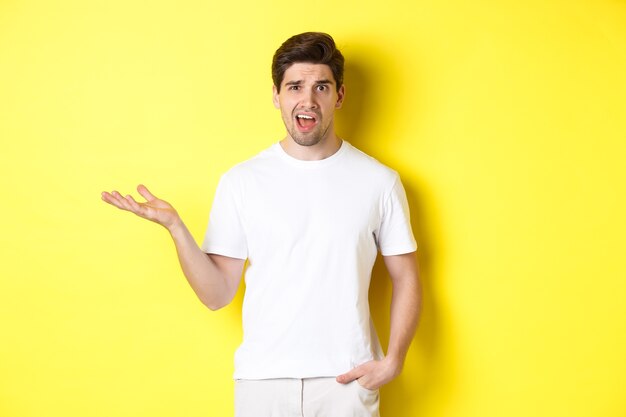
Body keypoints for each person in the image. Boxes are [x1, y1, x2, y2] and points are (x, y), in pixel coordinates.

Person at [102, 32, 421, 417]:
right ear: (276, 95)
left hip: (347, 383)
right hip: (262, 384)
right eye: (295, 87)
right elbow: (217, 294)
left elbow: (406, 276)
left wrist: (393, 361)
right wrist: (175, 227)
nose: (308, 100)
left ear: (339, 96)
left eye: (321, 86)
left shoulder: (378, 181)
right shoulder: (242, 182)